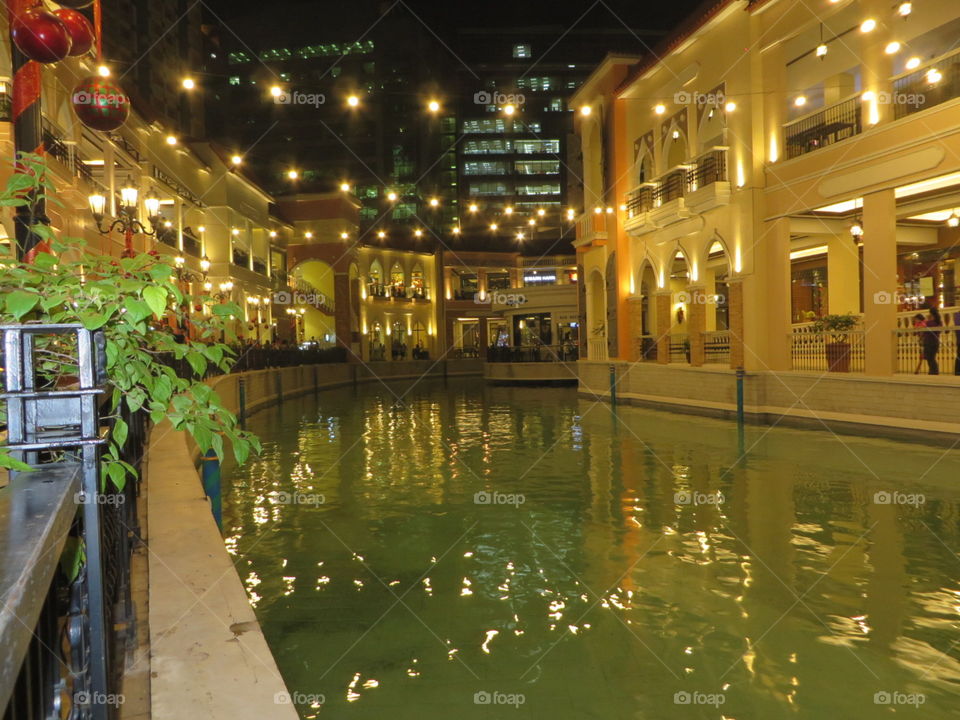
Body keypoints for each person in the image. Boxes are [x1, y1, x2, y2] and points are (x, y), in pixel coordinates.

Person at [923, 306, 943, 375]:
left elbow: (925, 329)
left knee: (930, 358)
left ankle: (933, 372)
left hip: (929, 341)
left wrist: (927, 320)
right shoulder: (939, 321)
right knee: (932, 358)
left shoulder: (929, 322)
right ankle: (933, 371)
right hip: (935, 341)